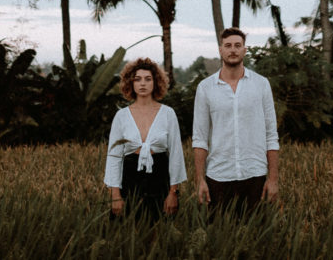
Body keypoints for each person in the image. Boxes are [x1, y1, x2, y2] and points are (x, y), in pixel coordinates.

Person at [192, 27, 279, 212]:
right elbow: (199, 139)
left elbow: (271, 135)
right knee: (219, 230)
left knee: (255, 229)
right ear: (220, 50)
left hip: (255, 175)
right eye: (228, 45)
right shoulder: (205, 88)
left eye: (237, 45)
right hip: (218, 176)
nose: (233, 50)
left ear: (244, 50)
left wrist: (273, 179)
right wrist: (200, 180)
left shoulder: (261, 84)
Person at [104, 57, 187, 219]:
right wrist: (115, 195)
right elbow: (114, 157)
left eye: (148, 79)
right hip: (129, 179)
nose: (143, 83)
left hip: (160, 178)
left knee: (160, 230)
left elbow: (176, 155)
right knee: (128, 230)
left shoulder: (168, 114)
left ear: (156, 82)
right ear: (131, 83)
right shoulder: (121, 116)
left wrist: (173, 192)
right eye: (138, 79)